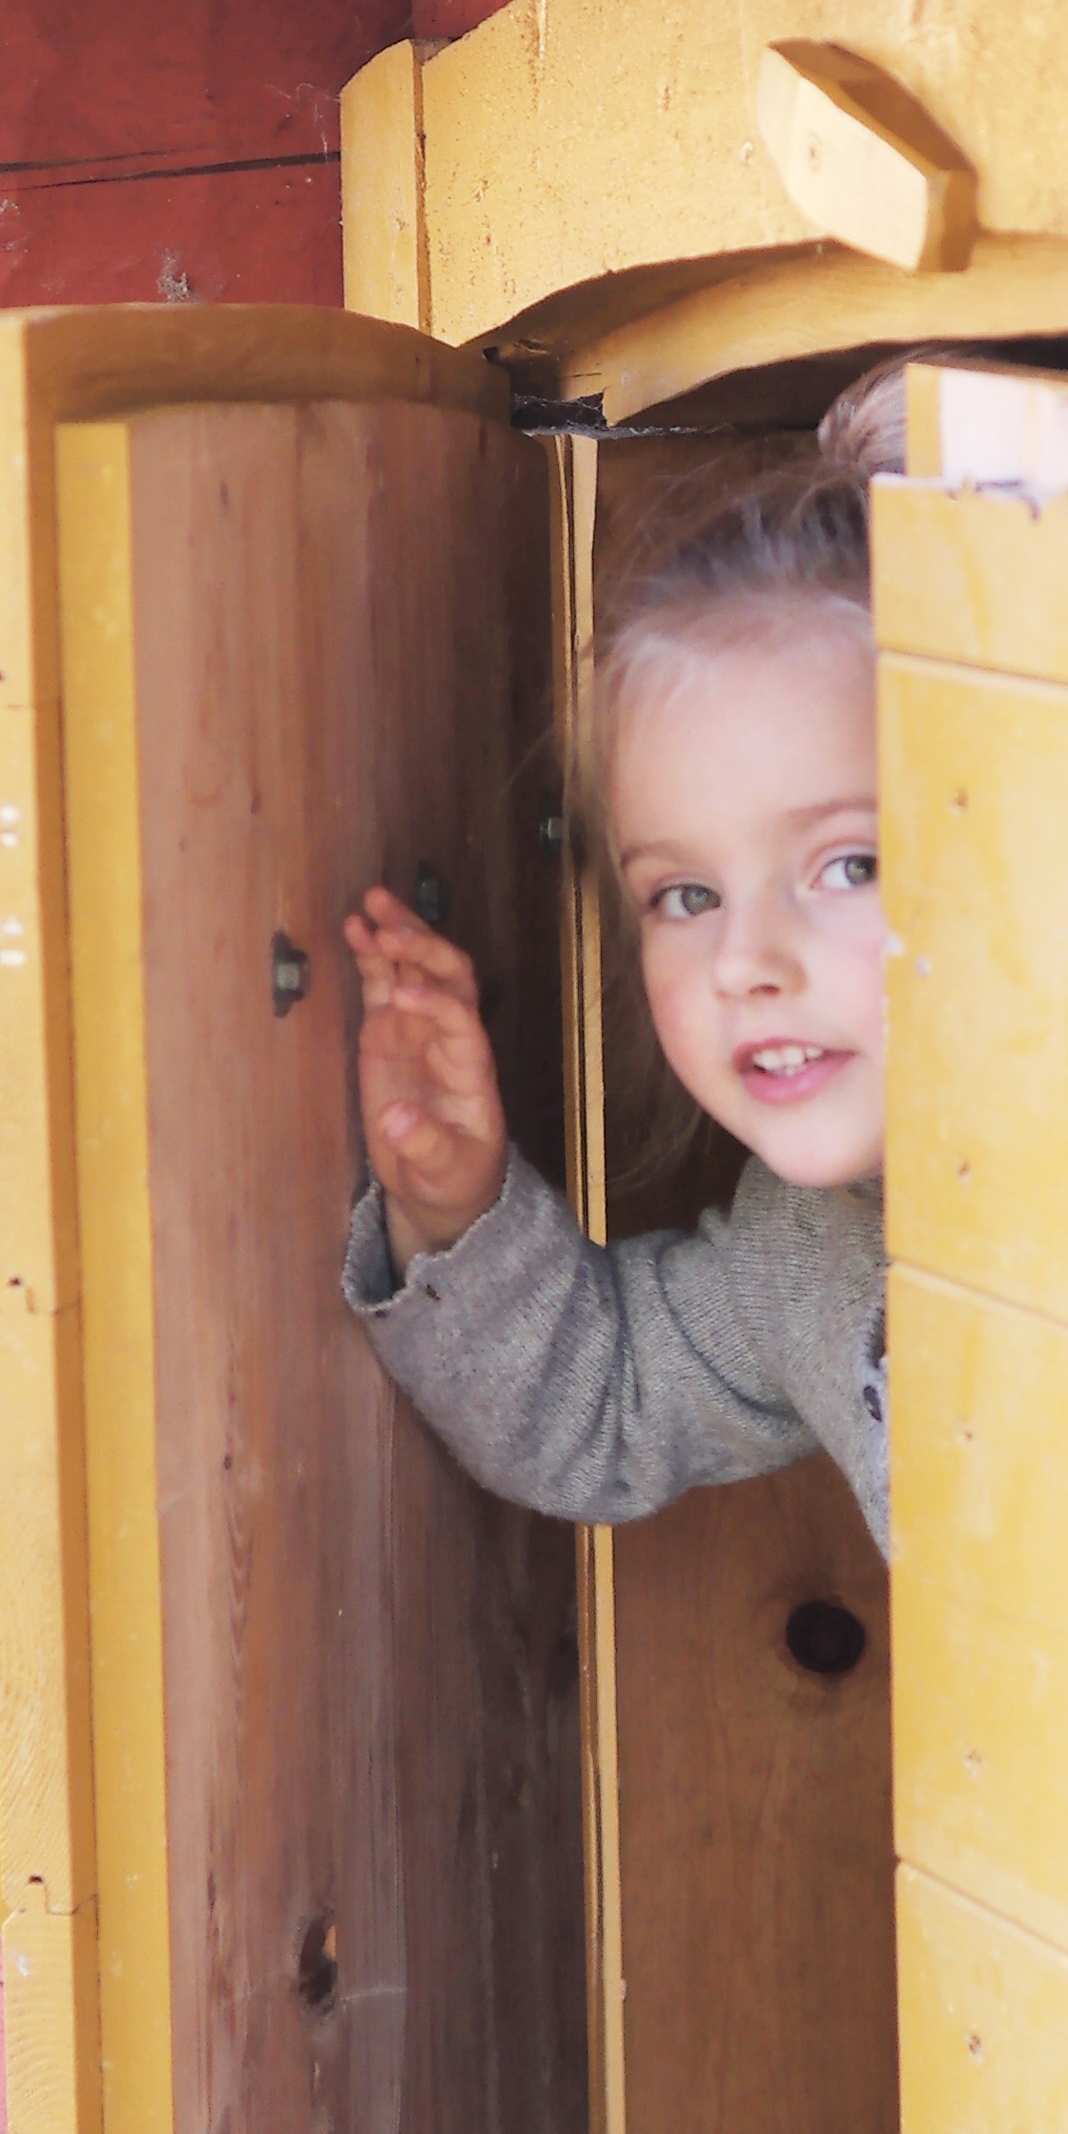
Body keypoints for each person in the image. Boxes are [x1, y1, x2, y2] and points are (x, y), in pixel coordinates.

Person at [339, 395, 894, 1551]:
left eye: (849, 866)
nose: (744, 962)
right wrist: (452, 1210)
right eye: (686, 896)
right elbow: (606, 1405)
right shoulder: (805, 1255)